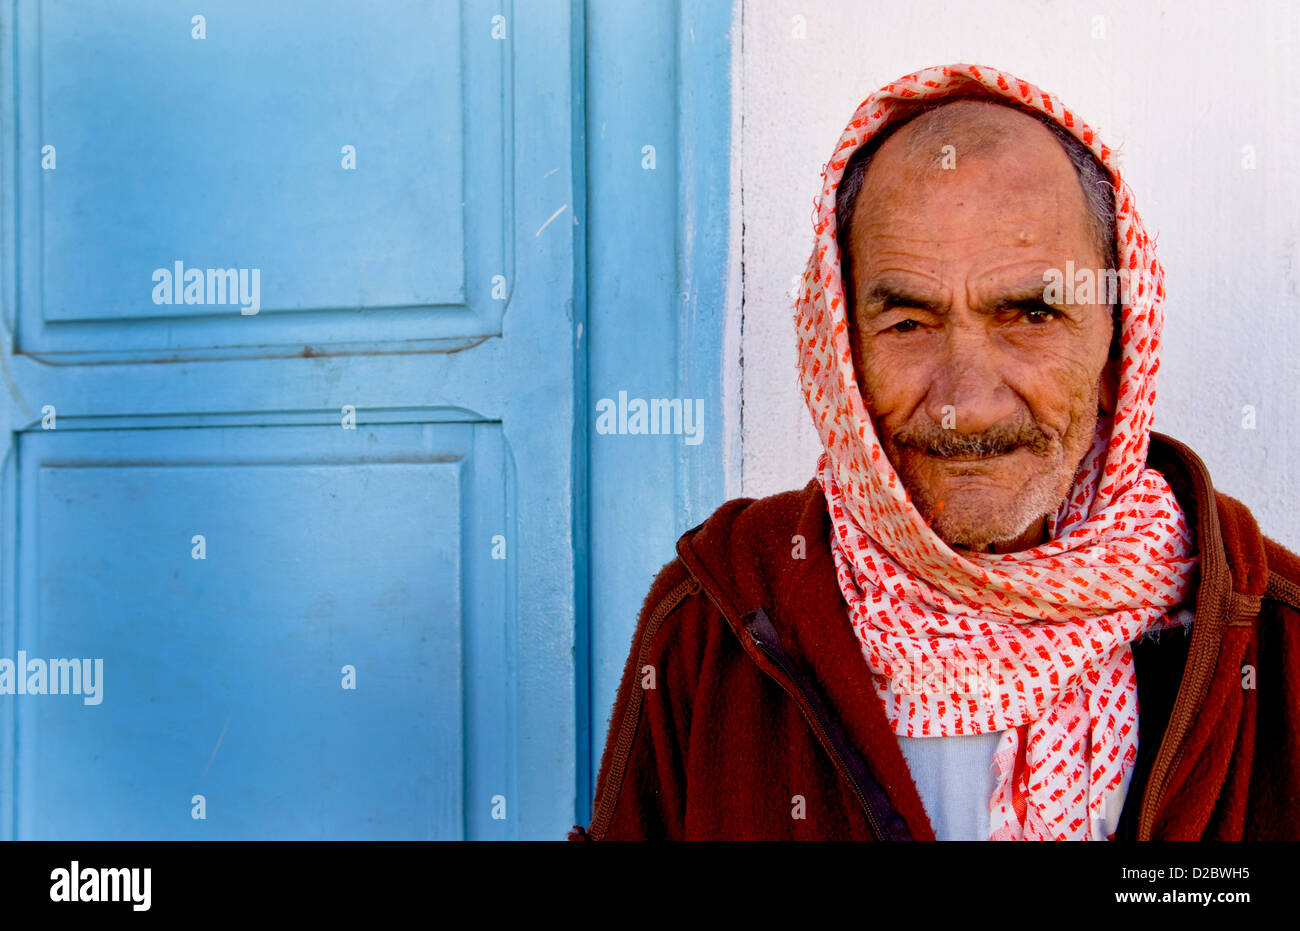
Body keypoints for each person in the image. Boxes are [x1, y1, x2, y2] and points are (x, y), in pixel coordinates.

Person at [570, 63, 1300, 841]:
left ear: (1117, 344)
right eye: (909, 323)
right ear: (841, 350)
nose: (968, 400)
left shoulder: (1276, 643)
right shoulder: (710, 629)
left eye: (1030, 312)